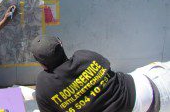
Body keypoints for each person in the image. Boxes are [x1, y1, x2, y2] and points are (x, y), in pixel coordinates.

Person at [31, 35, 170, 112]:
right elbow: (108, 70)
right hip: (146, 87)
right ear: (61, 44)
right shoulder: (84, 56)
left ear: (41, 64)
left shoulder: (44, 85)